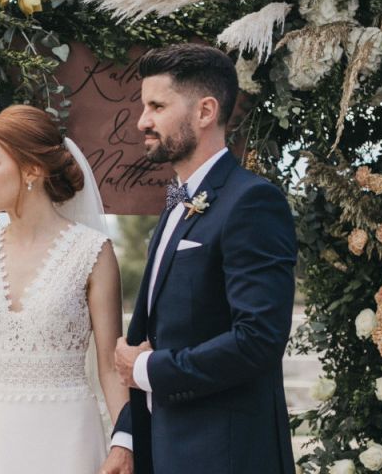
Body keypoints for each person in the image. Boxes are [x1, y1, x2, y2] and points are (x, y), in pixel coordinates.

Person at [101, 44, 297, 474]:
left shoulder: (252, 202)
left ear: (205, 111)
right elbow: (148, 334)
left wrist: (151, 369)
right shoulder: (175, 205)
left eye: (157, 106)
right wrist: (128, 437)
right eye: (143, 106)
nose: (142, 121)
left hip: (226, 457)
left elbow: (258, 339)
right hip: (162, 450)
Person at [0, 105, 131, 474]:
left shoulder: (92, 252)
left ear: (32, 169)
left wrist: (125, 446)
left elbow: (110, 370)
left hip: (69, 441)